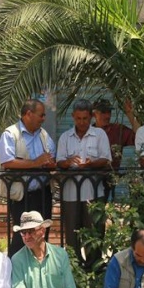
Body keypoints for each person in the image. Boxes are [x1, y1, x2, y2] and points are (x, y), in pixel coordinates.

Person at [0, 99, 57, 256]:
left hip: (42, 193)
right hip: (21, 196)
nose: (44, 118)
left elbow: (51, 157)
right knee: (22, 235)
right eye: (41, 115)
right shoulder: (10, 134)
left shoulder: (43, 135)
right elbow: (7, 161)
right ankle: (16, 270)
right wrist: (36, 162)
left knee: (42, 233)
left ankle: (41, 267)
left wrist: (50, 163)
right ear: (28, 114)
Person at [56, 99, 112, 266]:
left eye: (85, 118)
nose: (82, 122)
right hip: (70, 192)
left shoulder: (99, 135)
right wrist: (68, 162)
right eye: (78, 118)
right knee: (72, 235)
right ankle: (74, 268)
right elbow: (59, 161)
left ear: (91, 117)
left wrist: (90, 163)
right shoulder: (65, 137)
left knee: (95, 232)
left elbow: (106, 159)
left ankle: (93, 268)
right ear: (73, 117)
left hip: (93, 193)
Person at [92, 98, 140, 169]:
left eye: (109, 112)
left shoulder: (117, 130)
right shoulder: (87, 132)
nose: (107, 116)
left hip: (112, 177)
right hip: (89, 177)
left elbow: (140, 136)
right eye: (103, 112)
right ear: (94, 114)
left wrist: (130, 113)